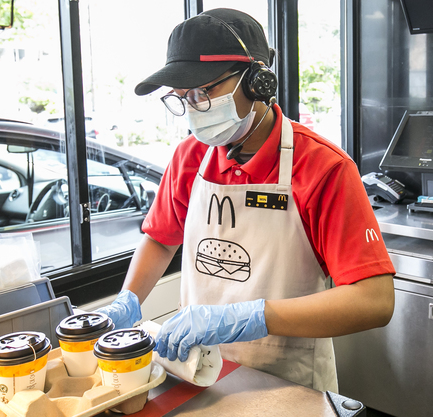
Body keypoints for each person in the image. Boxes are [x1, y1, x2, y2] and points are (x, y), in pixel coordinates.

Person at [97, 8, 395, 393]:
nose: (193, 107)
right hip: (198, 374)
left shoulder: (324, 168)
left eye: (205, 91)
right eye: (182, 97)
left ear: (258, 82)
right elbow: (160, 239)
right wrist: (128, 300)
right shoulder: (190, 157)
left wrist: (256, 316)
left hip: (288, 385)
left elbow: (374, 301)